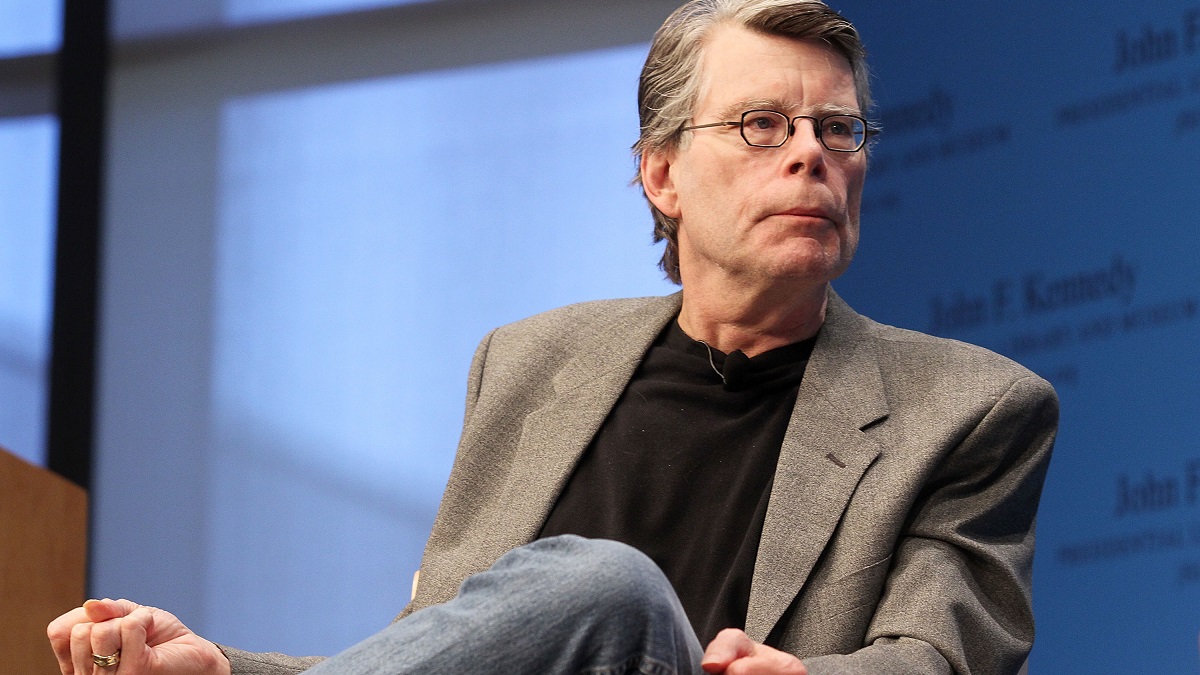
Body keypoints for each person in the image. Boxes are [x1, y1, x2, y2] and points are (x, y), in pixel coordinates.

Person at [49, 1, 1058, 674]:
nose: (810, 157)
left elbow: (935, 661)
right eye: (763, 126)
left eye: (838, 131)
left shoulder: (970, 409)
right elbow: (444, 654)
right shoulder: (531, 366)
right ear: (662, 175)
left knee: (606, 584)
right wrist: (226, 667)